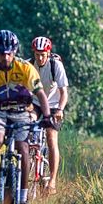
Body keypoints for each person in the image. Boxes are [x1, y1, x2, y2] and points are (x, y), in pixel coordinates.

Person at [0, 30, 53, 204]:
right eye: (2, 53)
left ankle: (23, 200)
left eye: (10, 53)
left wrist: (47, 116)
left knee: (23, 148)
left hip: (21, 111)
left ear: (15, 51)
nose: (6, 57)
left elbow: (40, 94)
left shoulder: (25, 68)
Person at [29, 36, 68, 195]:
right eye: (37, 54)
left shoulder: (55, 65)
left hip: (52, 105)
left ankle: (51, 181)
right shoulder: (29, 65)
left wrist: (60, 109)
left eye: (43, 54)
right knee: (28, 123)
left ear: (48, 53)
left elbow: (64, 92)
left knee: (51, 138)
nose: (40, 58)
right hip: (35, 103)